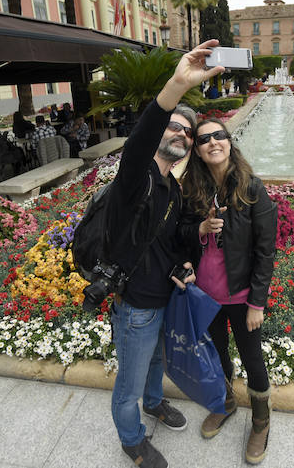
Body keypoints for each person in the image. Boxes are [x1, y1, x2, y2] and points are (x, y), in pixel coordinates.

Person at [104, 40, 225, 468]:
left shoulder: (172, 187)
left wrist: (186, 260)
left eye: (188, 132)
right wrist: (176, 85)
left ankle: (155, 404)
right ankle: (132, 440)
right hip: (135, 305)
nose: (182, 134)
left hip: (162, 296)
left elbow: (169, 239)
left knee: (157, 360)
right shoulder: (135, 179)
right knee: (129, 383)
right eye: (174, 127)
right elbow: (138, 143)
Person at [180, 118, 277, 464]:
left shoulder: (252, 188)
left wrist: (257, 303)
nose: (212, 143)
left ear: (229, 141)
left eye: (218, 135)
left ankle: (261, 422)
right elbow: (181, 232)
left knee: (253, 359)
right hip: (206, 295)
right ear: (198, 151)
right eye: (203, 139)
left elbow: (266, 250)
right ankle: (226, 402)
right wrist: (201, 227)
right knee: (217, 354)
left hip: (240, 296)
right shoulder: (192, 188)